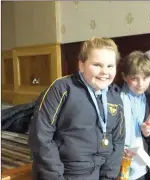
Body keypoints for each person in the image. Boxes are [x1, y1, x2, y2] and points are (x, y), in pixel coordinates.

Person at [28, 37, 125, 180]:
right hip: (65, 174)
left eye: (110, 66)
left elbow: (118, 141)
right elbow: (40, 136)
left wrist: (108, 177)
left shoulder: (115, 97)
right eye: (97, 65)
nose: (104, 71)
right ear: (81, 65)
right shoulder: (61, 89)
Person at [119, 51, 150, 180]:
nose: (140, 84)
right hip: (118, 160)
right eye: (134, 78)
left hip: (141, 164)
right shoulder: (114, 97)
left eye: (145, 78)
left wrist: (147, 133)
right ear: (125, 77)